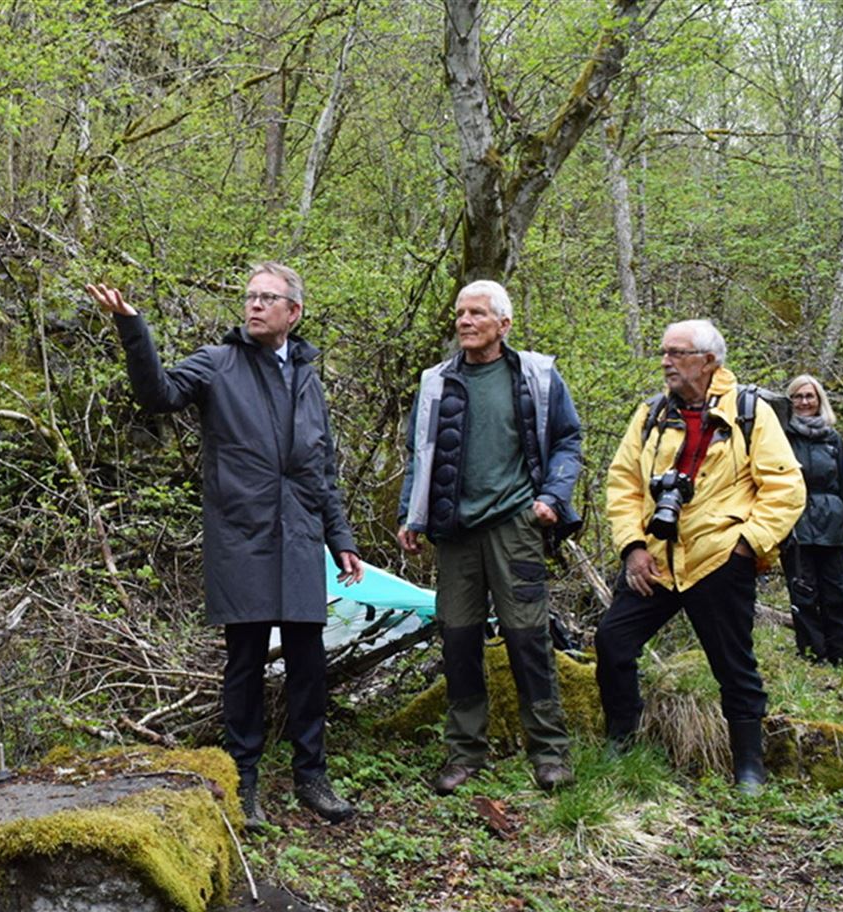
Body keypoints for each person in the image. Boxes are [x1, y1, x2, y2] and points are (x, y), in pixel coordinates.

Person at [87, 264, 364, 829]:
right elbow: (157, 394)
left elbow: (322, 468)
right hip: (243, 534)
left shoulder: (309, 378)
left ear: (294, 312)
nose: (256, 306)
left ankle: (313, 776)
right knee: (245, 662)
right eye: (250, 296)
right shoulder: (218, 363)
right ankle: (244, 779)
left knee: (309, 661)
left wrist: (341, 538)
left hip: (302, 533)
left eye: (269, 297)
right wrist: (132, 329)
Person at [597, 320, 805, 794]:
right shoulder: (650, 414)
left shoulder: (749, 412)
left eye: (677, 353)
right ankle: (622, 743)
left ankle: (748, 766)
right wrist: (631, 547)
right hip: (655, 560)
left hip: (718, 559)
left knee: (733, 663)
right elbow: (623, 484)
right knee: (612, 641)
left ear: (709, 360)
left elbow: (785, 488)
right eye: (664, 352)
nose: (666, 361)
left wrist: (747, 544)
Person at [397, 280, 584, 795]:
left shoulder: (537, 377)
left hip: (515, 527)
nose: (464, 322)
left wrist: (551, 496)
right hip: (455, 531)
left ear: (503, 324)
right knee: (458, 641)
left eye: (477, 314)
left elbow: (568, 440)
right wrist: (410, 516)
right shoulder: (436, 382)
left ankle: (549, 753)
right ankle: (464, 754)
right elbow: (421, 451)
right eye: (460, 313)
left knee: (528, 640)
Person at [781, 374, 843, 665]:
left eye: (809, 396)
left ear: (819, 400)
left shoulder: (833, 439)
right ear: (790, 401)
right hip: (794, 521)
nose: (804, 402)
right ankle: (813, 655)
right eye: (798, 396)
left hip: (831, 522)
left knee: (835, 593)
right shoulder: (781, 437)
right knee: (803, 592)